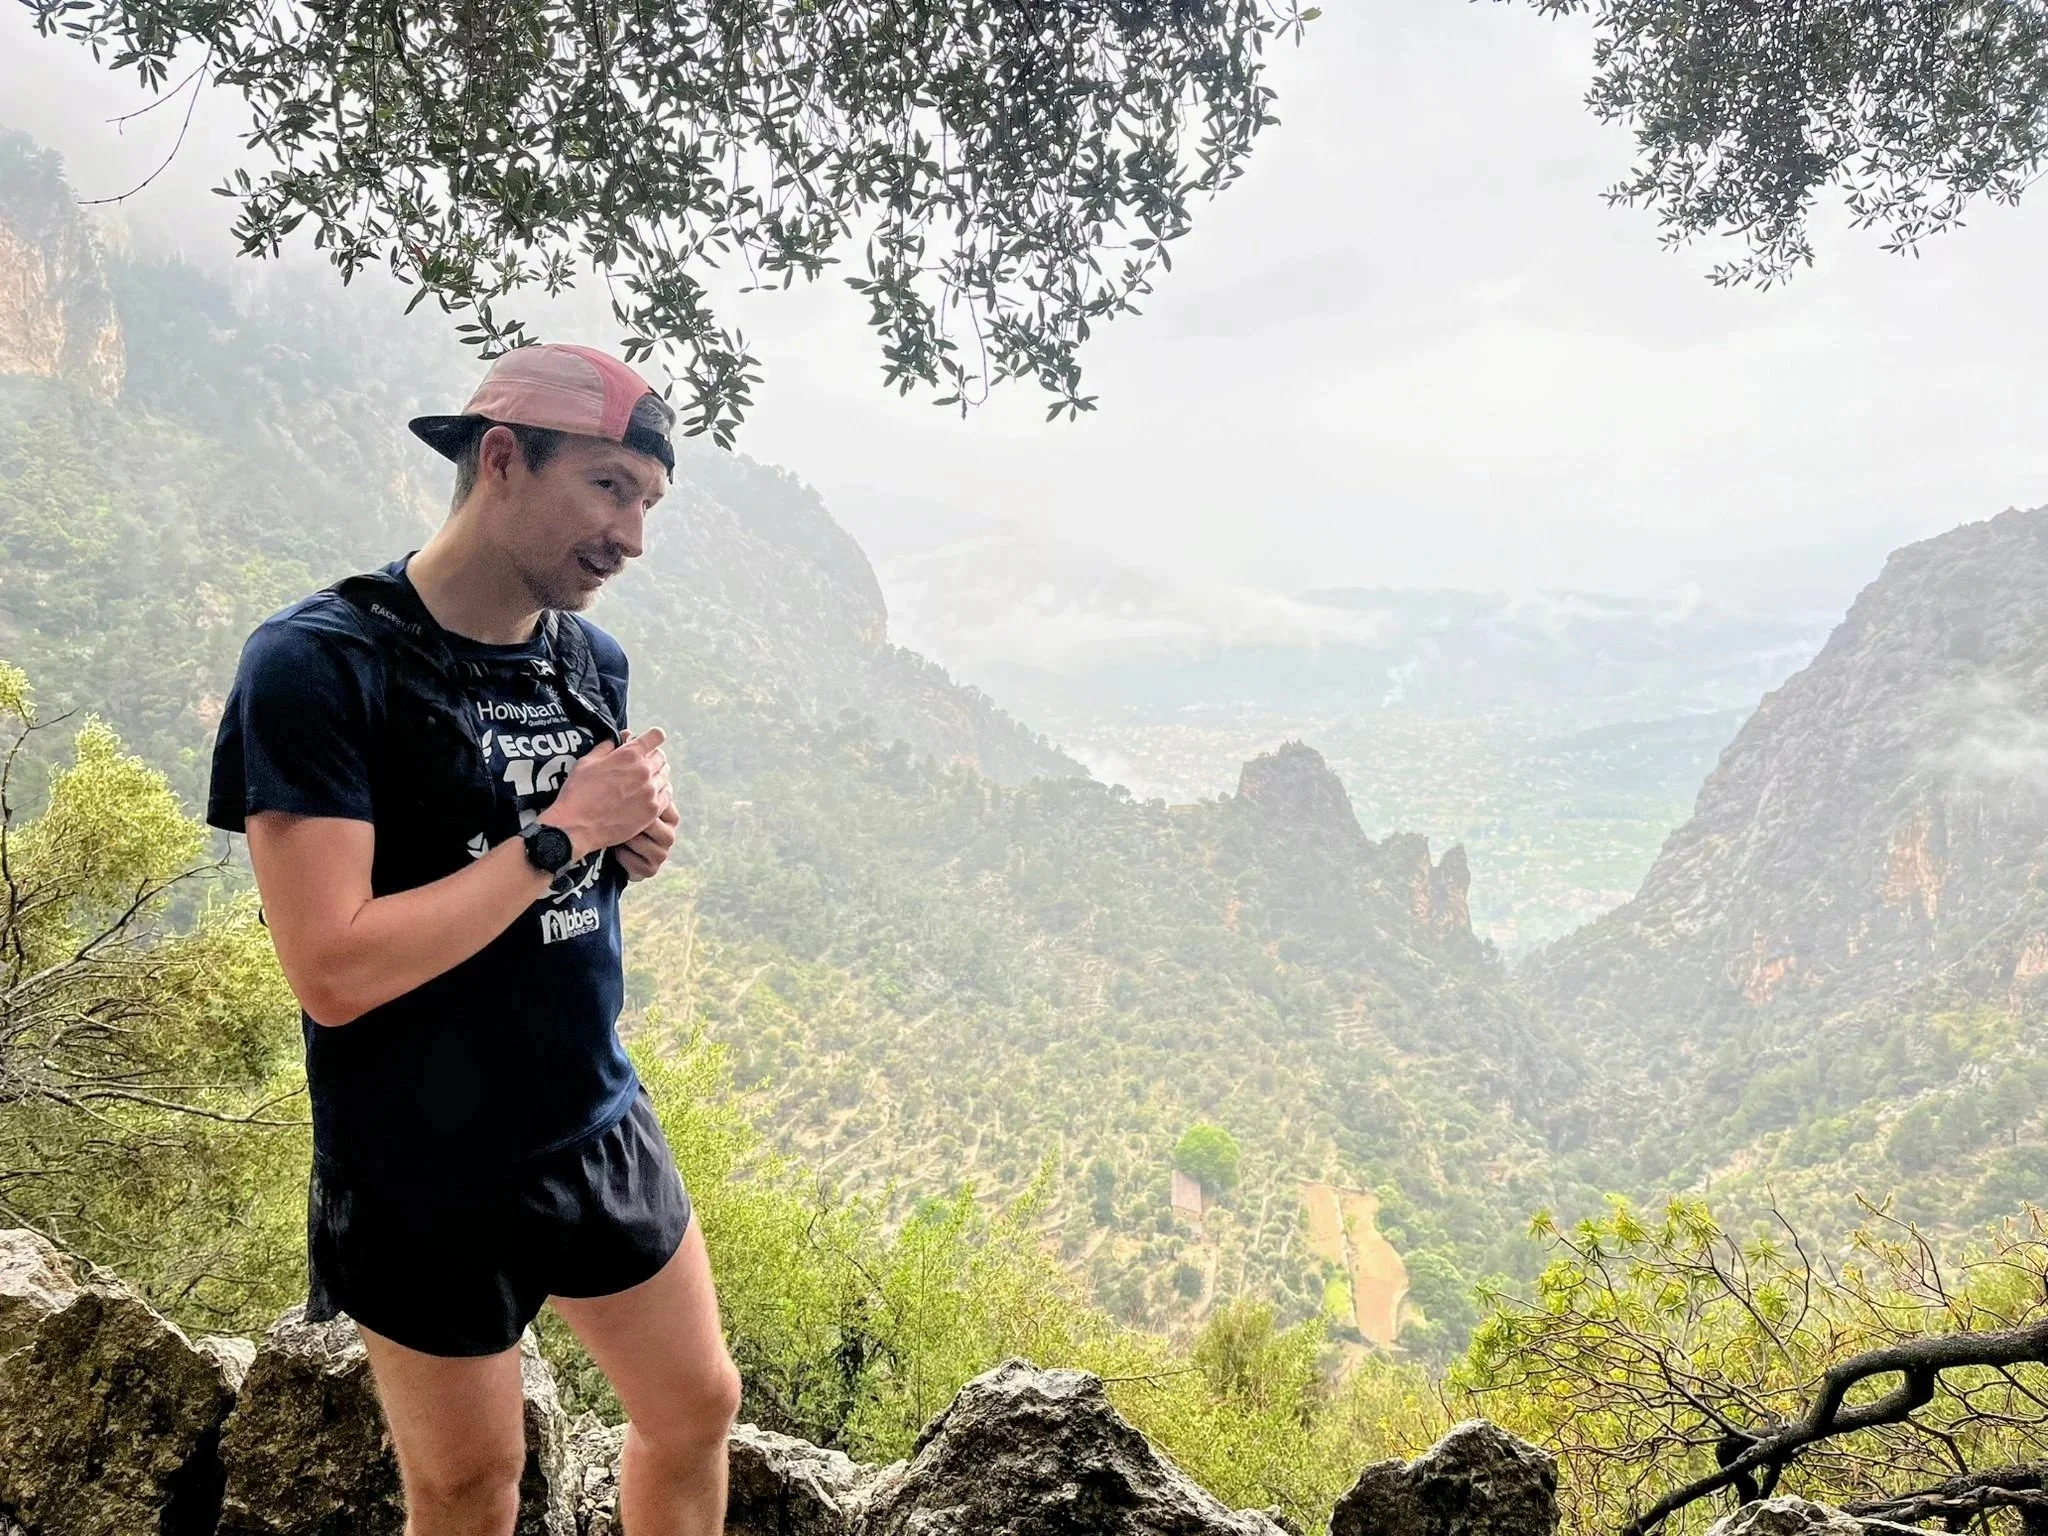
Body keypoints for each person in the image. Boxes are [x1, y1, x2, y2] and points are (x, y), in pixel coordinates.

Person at [206, 343, 740, 1536]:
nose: (632, 539)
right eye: (609, 489)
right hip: (418, 1161)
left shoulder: (583, 656)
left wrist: (627, 845)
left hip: (592, 1116)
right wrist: (561, 837)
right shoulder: (320, 665)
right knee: (465, 1489)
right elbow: (333, 968)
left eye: (648, 505)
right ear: (501, 459)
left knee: (697, 1407)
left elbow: (554, 875)